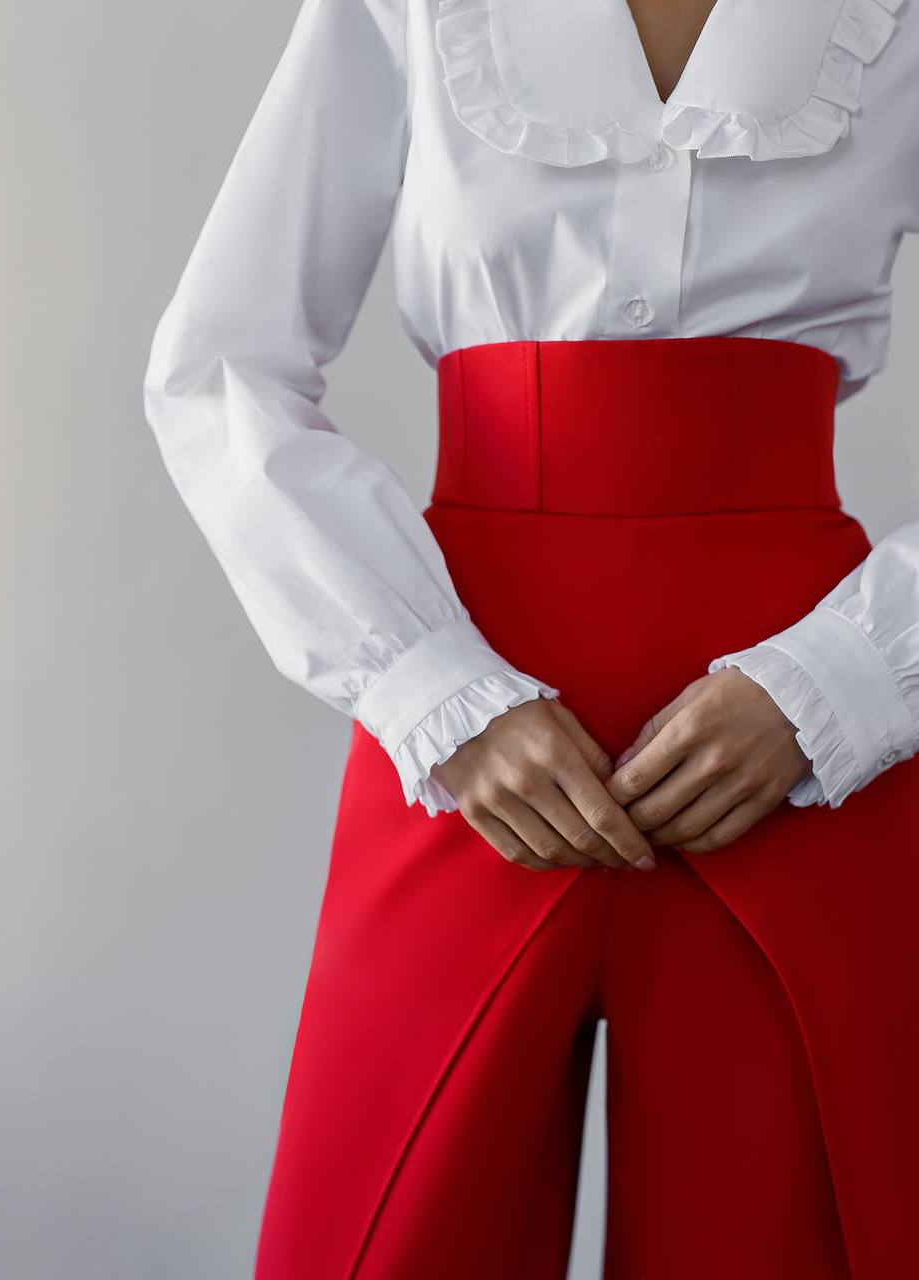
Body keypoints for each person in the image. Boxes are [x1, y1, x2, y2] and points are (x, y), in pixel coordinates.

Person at [141, 0, 918, 1275]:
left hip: (800, 753)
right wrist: (436, 689)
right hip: (467, 724)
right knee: (386, 1230)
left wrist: (847, 678)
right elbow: (221, 360)